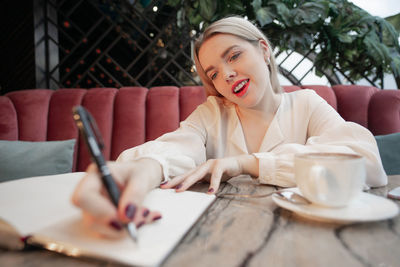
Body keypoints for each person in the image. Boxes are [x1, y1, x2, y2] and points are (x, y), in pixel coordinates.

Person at [72, 16, 387, 237]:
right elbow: (178, 147)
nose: (227, 75)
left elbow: (366, 163)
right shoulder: (212, 113)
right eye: (213, 73)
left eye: (234, 56)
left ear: (263, 50)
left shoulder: (306, 104)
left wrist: (247, 163)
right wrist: (145, 170)